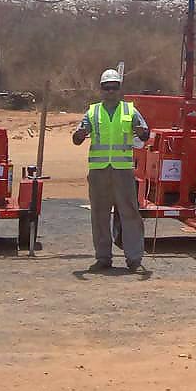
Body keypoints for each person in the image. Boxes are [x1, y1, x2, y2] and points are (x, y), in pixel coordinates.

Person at [72, 68, 150, 272]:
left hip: (122, 171)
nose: (110, 91)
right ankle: (103, 258)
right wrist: (79, 134)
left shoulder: (130, 111)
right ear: (101, 89)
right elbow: (78, 137)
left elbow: (144, 134)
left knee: (130, 213)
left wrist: (142, 132)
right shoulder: (93, 112)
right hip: (99, 172)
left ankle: (134, 259)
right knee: (99, 214)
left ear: (119, 89)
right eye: (106, 88)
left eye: (114, 88)